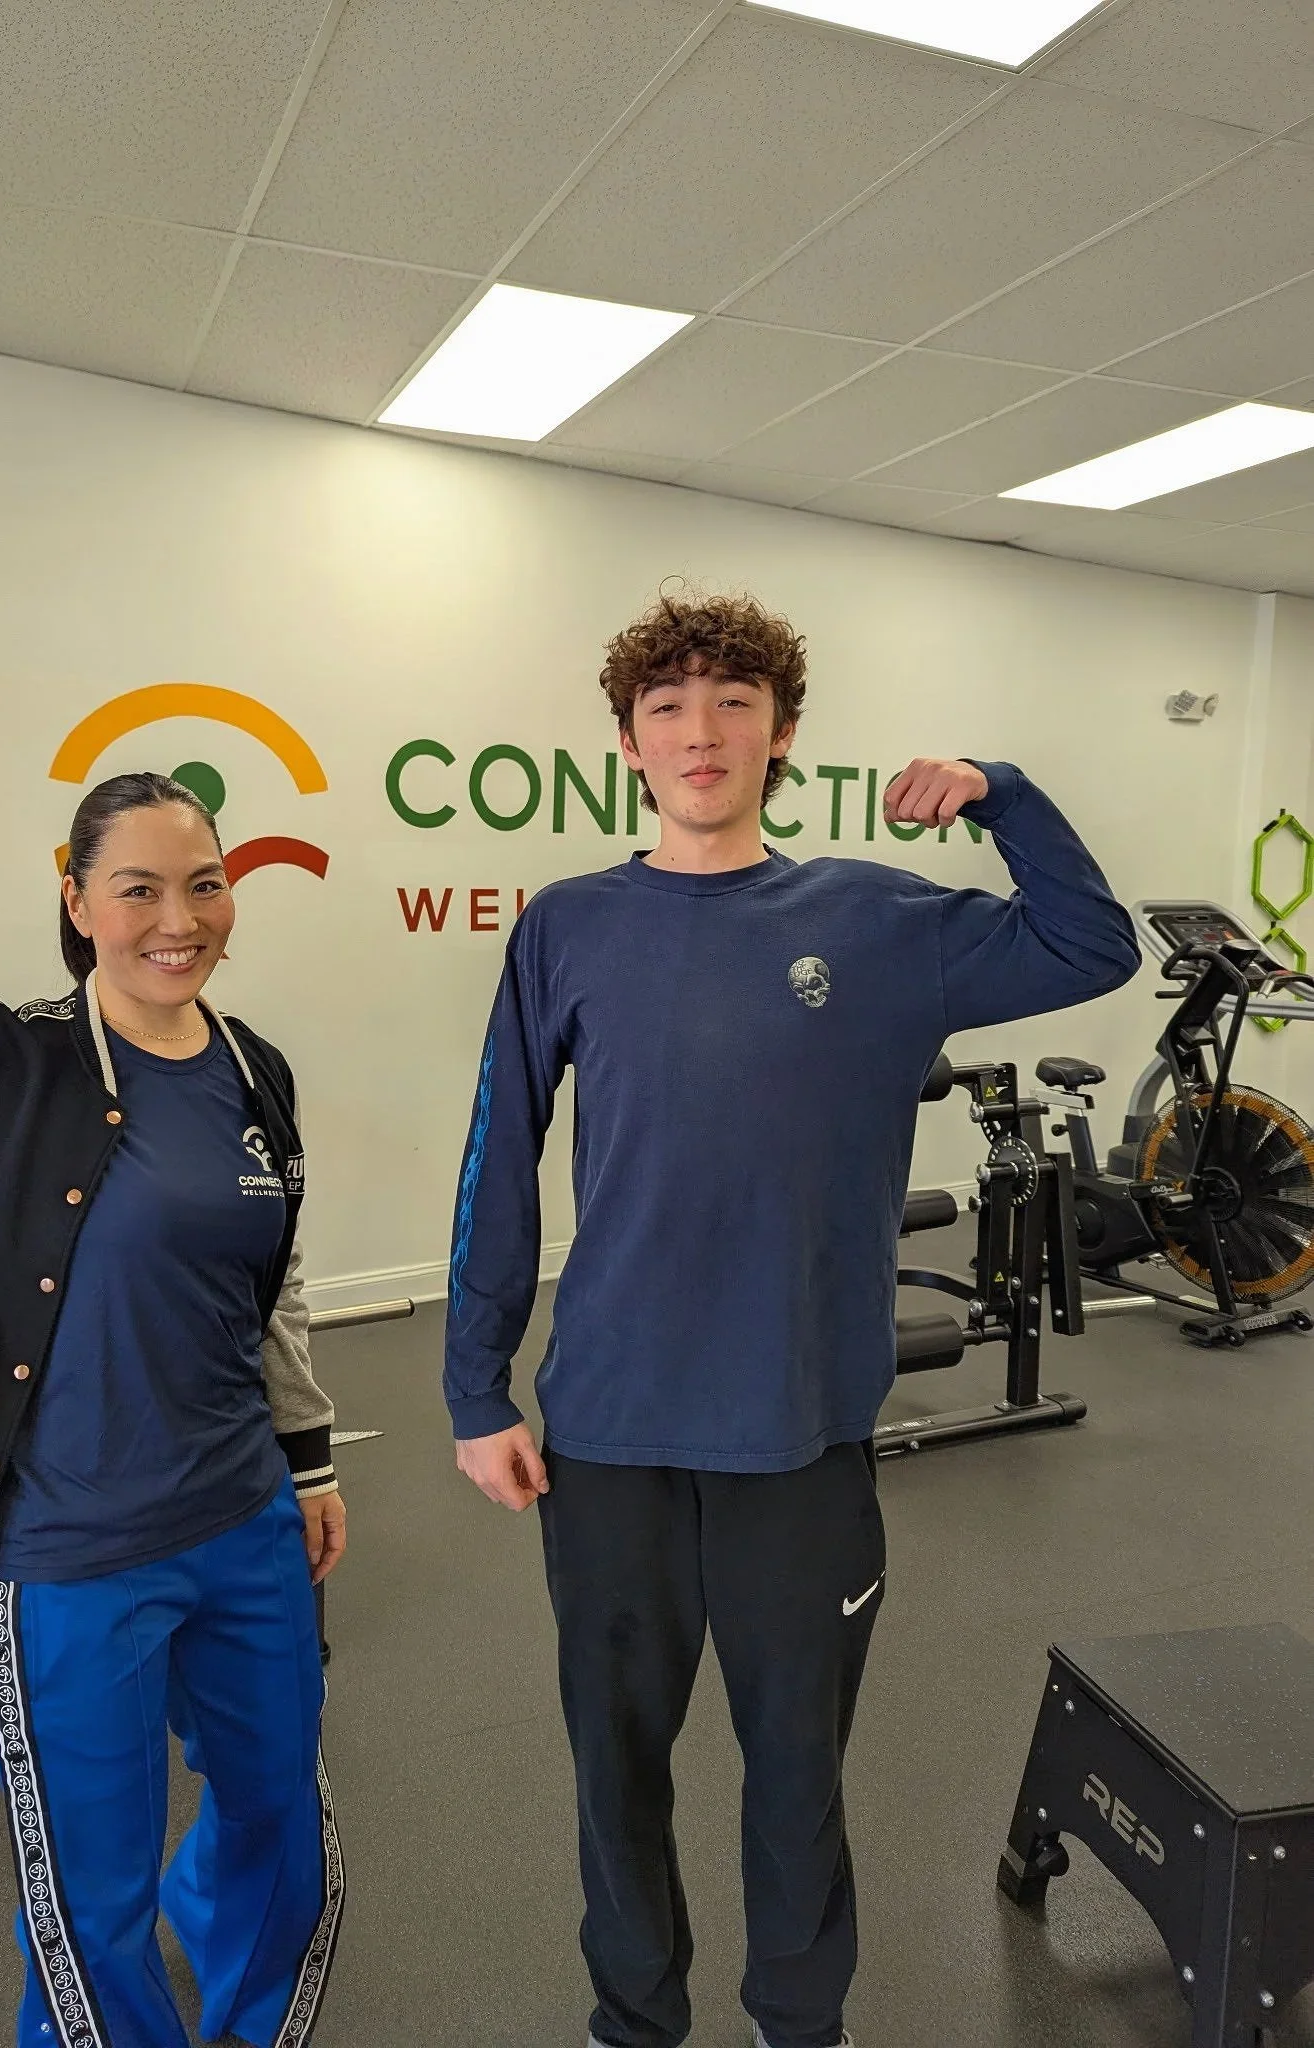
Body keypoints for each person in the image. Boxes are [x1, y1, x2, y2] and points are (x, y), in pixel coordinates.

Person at [443, 589, 1141, 2048]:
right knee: (616, 1770)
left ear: (782, 732)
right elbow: (497, 1153)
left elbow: (1092, 946)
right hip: (613, 1434)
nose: (700, 732)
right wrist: (475, 1388)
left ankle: (797, 2024)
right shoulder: (570, 925)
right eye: (668, 708)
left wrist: (1001, 792)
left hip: (799, 1436)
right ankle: (634, 2021)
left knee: (795, 1775)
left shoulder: (878, 921)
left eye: (733, 703)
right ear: (629, 745)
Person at [0, 773, 347, 2048]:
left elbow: (273, 1282)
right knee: (92, 1896)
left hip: (242, 1523)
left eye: (204, 884)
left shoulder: (254, 1067)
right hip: (58, 1557)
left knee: (281, 1820)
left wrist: (307, 1463)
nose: (178, 920)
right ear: (78, 900)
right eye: (138, 888)